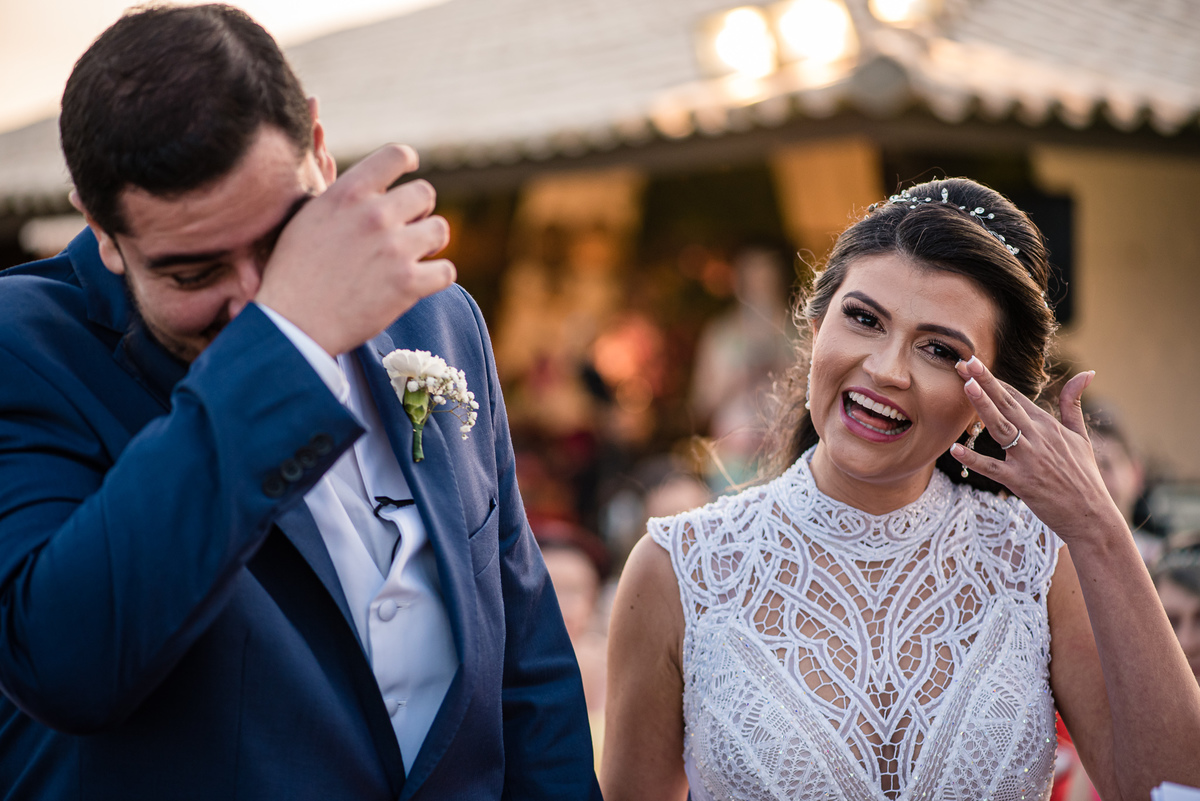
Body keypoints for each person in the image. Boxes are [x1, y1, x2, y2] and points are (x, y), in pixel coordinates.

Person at [0, 5, 599, 799]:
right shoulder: (21, 351)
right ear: (104, 232)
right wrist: (286, 343)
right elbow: (66, 657)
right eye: (194, 274)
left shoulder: (437, 315)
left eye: (283, 239)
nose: (254, 301)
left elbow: (523, 659)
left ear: (319, 144)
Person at [603, 178, 1200, 800]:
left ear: (991, 400)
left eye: (940, 351)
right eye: (864, 319)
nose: (887, 370)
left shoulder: (1040, 564)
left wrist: (1098, 528)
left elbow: (1174, 790)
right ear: (815, 324)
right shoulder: (680, 569)